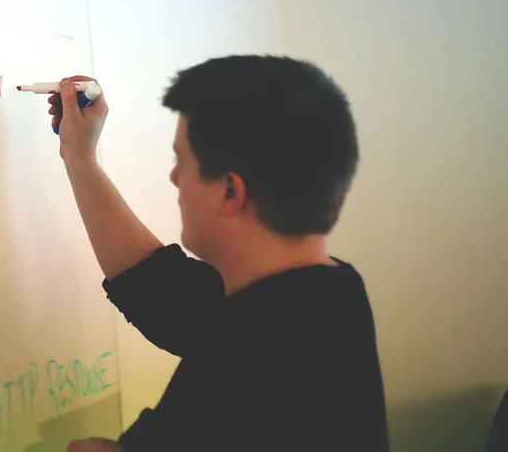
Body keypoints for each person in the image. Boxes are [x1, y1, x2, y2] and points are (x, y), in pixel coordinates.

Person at [49, 55, 389, 451]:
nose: (174, 178)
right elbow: (163, 292)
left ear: (230, 191)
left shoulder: (251, 350)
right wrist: (80, 158)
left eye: (182, 161)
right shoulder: (333, 292)